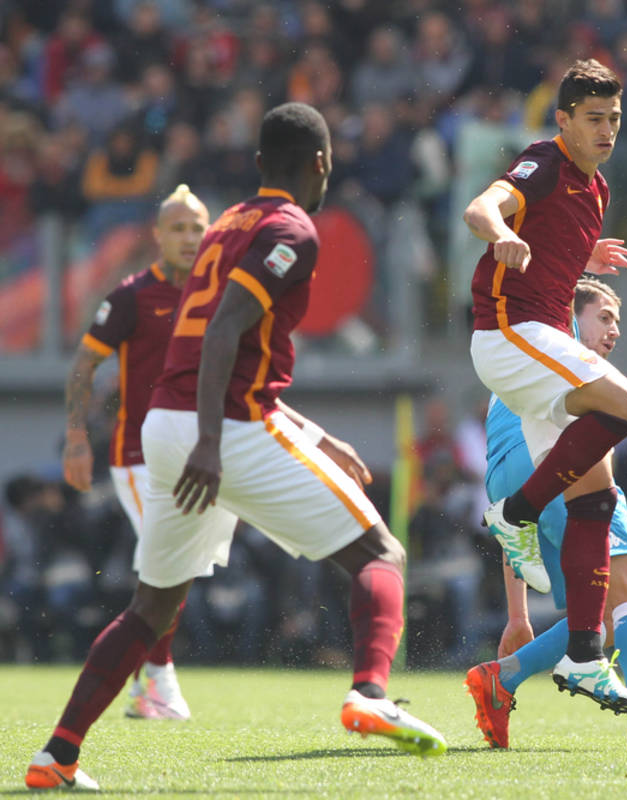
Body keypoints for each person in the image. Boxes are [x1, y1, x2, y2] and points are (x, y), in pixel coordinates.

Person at [26, 102, 446, 792]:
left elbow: (223, 345)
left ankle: (57, 754)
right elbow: (224, 333)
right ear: (321, 163)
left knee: (150, 609)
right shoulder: (293, 229)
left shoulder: (225, 224)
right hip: (221, 428)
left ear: (258, 164)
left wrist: (311, 434)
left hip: (165, 424)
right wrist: (212, 444)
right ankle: (370, 693)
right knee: (380, 554)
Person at [465, 278, 627, 751]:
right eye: (604, 317)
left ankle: (502, 678)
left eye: (617, 321)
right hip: (559, 469)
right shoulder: (572, 362)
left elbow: (514, 515)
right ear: (568, 315)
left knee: (598, 612)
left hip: (505, 480)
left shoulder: (522, 364)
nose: (614, 330)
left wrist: (518, 615)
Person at [464, 59, 627, 711]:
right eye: (593, 118)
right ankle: (516, 513)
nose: (606, 130)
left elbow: (551, 241)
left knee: (596, 490)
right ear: (563, 119)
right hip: (509, 334)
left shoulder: (595, 190)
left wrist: (579, 255)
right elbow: (482, 207)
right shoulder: (544, 163)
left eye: (614, 118)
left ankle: (585, 656)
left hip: (536, 345)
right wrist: (500, 232)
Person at [61, 184, 209, 720]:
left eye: (197, 228)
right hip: (138, 456)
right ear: (157, 235)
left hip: (198, 455)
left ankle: (149, 677)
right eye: (178, 228)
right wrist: (77, 437)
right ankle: (157, 677)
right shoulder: (131, 296)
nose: (189, 237)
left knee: (179, 562)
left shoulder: (216, 295)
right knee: (169, 559)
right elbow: (84, 364)